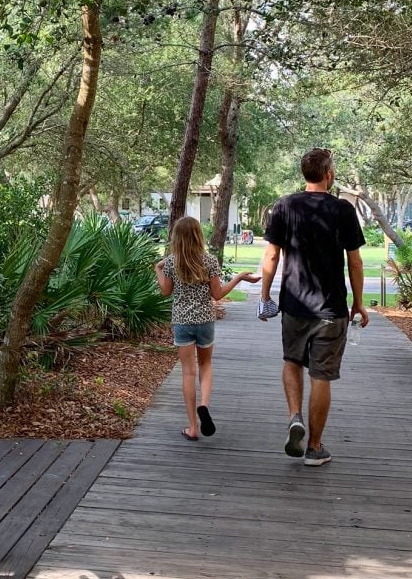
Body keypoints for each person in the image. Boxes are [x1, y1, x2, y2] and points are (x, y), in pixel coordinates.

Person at [258, 148, 368, 467]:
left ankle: (295, 417)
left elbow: (272, 256)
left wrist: (265, 296)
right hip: (331, 310)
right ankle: (315, 447)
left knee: (292, 361)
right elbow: (355, 261)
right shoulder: (342, 210)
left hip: (294, 306)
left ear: (305, 174)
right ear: (329, 174)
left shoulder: (285, 205)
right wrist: (358, 303)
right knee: (322, 375)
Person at [155, 216, 260, 441]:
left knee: (187, 372)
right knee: (205, 364)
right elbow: (218, 294)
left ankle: (193, 427)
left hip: (182, 322)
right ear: (198, 235)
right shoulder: (209, 261)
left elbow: (165, 292)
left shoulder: (172, 262)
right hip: (205, 320)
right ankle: (204, 404)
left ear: (176, 237)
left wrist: (158, 269)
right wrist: (239, 278)